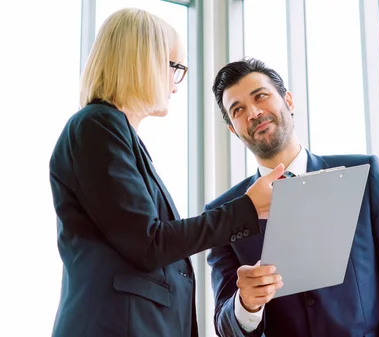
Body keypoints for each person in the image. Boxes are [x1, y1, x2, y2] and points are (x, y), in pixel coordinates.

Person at [49, 9, 283, 337]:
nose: (175, 84)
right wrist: (246, 209)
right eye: (174, 67)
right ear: (141, 61)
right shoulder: (96, 127)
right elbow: (150, 242)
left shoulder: (116, 134)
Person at [206, 57, 379, 337]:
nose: (253, 113)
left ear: (288, 100)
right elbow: (225, 325)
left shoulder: (363, 173)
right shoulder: (223, 213)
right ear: (233, 130)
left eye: (260, 96)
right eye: (238, 110)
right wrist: (246, 305)